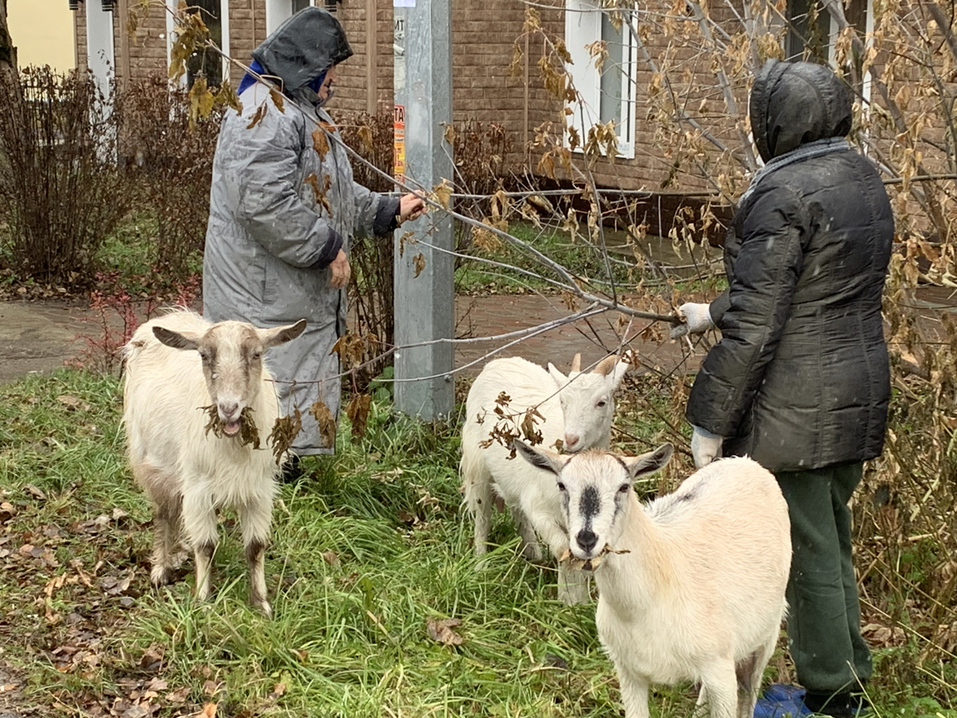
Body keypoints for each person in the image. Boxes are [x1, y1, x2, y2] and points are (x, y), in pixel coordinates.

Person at [671, 59, 893, 717]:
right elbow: (807, 288)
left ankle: (830, 696)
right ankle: (844, 674)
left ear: (774, 123)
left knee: (805, 556)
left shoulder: (780, 194)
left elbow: (758, 326)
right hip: (852, 394)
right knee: (830, 539)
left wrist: (708, 424)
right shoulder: (859, 178)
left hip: (797, 412)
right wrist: (711, 311)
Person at [202, 7, 424, 466]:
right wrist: (327, 247)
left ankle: (285, 474)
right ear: (305, 65)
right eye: (330, 70)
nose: (333, 81)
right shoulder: (264, 111)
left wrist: (387, 210)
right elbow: (263, 202)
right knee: (265, 391)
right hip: (262, 297)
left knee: (288, 392)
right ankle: (270, 483)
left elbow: (329, 194)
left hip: (285, 292)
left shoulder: (296, 109)